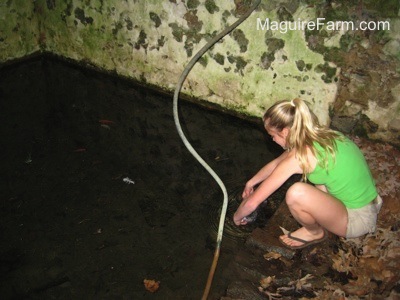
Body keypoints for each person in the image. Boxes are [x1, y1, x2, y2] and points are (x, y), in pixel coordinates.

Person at [233, 98, 382, 249]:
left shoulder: (298, 157)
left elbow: (252, 203)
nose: (272, 139)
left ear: (285, 132)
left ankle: (315, 232)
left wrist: (237, 217)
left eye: (273, 135)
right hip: (370, 202)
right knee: (318, 179)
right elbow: (277, 164)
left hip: (358, 219)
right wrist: (251, 182)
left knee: (296, 193)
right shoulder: (321, 136)